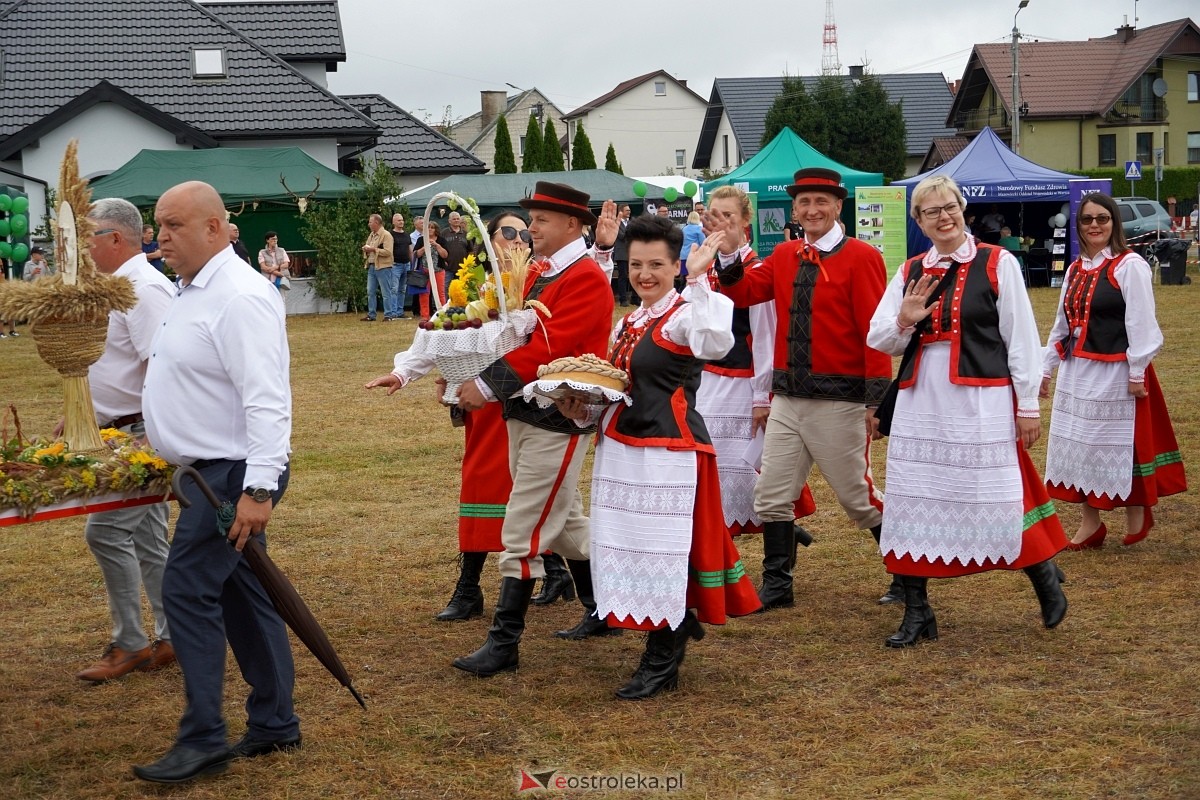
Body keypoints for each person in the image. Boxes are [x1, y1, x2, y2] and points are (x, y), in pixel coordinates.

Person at [556, 216, 762, 699]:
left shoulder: (687, 314)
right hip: (621, 450)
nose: (645, 274)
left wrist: (699, 278)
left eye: (657, 265)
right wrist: (580, 409)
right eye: (636, 264)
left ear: (674, 266)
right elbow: (618, 393)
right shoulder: (627, 323)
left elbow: (718, 342)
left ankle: (663, 653)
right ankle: (673, 623)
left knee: (659, 549)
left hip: (668, 453)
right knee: (627, 544)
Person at [136, 181, 299, 784]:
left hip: (231, 475)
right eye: (158, 225)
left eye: (173, 226)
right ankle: (276, 722)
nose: (161, 239)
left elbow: (266, 400)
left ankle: (204, 736)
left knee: (186, 588)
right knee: (242, 593)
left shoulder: (238, 296)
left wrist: (257, 491)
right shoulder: (192, 290)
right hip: (211, 473)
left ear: (213, 228)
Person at [867, 174, 1069, 648]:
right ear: (918, 220)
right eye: (931, 211)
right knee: (915, 499)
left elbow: (1021, 341)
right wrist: (904, 319)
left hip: (980, 396)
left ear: (964, 210)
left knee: (995, 491)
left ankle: (1044, 577)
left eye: (949, 207)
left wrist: (1026, 406)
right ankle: (919, 613)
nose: (943, 217)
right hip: (921, 399)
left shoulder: (998, 262)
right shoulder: (911, 269)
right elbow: (879, 338)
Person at [450, 181, 616, 677]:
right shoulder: (544, 272)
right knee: (565, 527)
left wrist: (485, 381)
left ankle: (504, 644)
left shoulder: (584, 277)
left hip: (557, 420)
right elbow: (515, 333)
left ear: (572, 225)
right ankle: (618, 598)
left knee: (521, 532)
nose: (532, 227)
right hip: (528, 415)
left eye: (541, 219)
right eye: (532, 218)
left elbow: (551, 349)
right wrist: (463, 362)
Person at [714, 167, 896, 609]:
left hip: (840, 401)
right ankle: (778, 585)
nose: (812, 210)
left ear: (837, 207)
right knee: (772, 495)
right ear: (794, 209)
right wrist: (729, 252)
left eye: (821, 202)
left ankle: (909, 575)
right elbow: (743, 293)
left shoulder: (862, 256)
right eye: (804, 202)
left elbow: (875, 333)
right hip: (789, 399)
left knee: (859, 500)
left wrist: (876, 402)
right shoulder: (785, 253)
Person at [1041, 191, 1186, 549]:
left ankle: (1137, 510)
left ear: (1114, 223)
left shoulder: (1129, 265)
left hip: (1116, 371)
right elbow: (1063, 325)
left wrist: (1137, 371)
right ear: (1079, 225)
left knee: (1116, 444)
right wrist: (1046, 369)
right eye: (1088, 219)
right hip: (1077, 372)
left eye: (1102, 219)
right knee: (1080, 447)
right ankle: (1091, 524)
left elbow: (1142, 323)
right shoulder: (1075, 269)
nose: (1095, 225)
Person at [75, 198, 176, 683]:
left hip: (140, 432)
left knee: (107, 531)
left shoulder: (144, 289)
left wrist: (150, 443)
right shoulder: (123, 286)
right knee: (148, 537)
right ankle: (171, 635)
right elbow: (118, 363)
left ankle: (131, 643)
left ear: (116, 238)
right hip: (120, 429)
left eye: (88, 236)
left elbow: (164, 369)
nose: (82, 247)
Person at [698, 186, 816, 538]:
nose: (720, 223)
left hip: (743, 382)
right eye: (713, 215)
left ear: (745, 221)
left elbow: (765, 337)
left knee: (747, 470)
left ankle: (781, 535)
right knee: (714, 470)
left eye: (728, 216)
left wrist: (762, 397)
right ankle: (777, 537)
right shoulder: (703, 267)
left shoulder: (757, 269)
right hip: (708, 380)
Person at [361, 213, 397, 321]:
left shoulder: (386, 235)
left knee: (386, 292)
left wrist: (373, 249)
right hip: (372, 266)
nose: (369, 224)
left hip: (384, 267)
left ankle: (388, 315)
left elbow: (388, 252)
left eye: (370, 222)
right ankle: (371, 315)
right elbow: (368, 247)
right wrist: (366, 249)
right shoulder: (371, 235)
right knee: (370, 291)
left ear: (376, 222)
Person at [411, 221, 440, 320]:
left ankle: (441, 314)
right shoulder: (421, 240)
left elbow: (445, 255)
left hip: (438, 270)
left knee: (440, 293)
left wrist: (437, 245)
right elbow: (416, 254)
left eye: (432, 227)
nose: (430, 229)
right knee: (424, 293)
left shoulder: (441, 239)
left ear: (436, 229)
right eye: (428, 228)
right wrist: (424, 247)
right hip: (424, 269)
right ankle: (425, 315)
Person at [440, 210, 471, 299]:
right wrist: (442, 261)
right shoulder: (444, 233)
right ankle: (445, 307)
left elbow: (470, 250)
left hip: (462, 267)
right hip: (448, 267)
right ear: (449, 221)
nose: (456, 220)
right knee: (445, 288)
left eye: (458, 219)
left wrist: (469, 264)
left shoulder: (465, 234)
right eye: (454, 219)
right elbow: (439, 248)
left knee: (462, 288)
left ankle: (460, 306)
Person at [677, 211, 705, 291]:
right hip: (694, 256)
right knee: (693, 277)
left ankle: (681, 292)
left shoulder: (684, 229)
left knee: (684, 276)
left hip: (683, 255)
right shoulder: (699, 229)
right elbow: (703, 242)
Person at [391, 213, 412, 318]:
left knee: (402, 289)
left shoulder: (407, 235)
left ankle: (400, 311)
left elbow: (410, 250)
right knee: (394, 289)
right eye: (399, 220)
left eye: (402, 220)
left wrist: (411, 263)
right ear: (393, 222)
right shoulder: (390, 235)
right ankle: (393, 312)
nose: (401, 222)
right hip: (395, 265)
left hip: (406, 264)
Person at [611, 204, 632, 306]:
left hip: (631, 253)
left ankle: (634, 298)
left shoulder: (630, 223)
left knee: (632, 275)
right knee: (622, 276)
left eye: (629, 210)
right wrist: (631, 230)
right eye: (627, 210)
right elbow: (621, 236)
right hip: (621, 253)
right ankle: (623, 299)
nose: (629, 212)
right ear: (621, 212)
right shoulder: (617, 223)